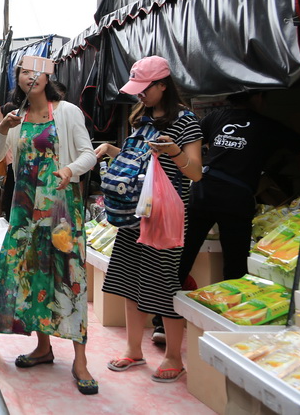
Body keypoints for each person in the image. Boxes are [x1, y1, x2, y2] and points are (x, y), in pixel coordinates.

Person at [0, 63, 99, 395]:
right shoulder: (15, 117)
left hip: (61, 207)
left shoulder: (67, 111)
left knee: (69, 278)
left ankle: (80, 360)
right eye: (22, 72)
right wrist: (2, 130)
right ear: (17, 80)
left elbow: (89, 155)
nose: (29, 76)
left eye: (36, 71)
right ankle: (43, 347)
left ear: (47, 77)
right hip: (25, 206)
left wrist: (69, 169)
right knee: (33, 275)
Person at [94, 56, 203, 384]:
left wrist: (173, 152)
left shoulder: (187, 122)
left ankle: (173, 357)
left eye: (145, 89)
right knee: (129, 281)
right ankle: (133, 349)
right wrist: (112, 149)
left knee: (163, 283)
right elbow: (138, 160)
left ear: (162, 85)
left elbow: (195, 172)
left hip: (164, 216)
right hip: (133, 214)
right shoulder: (141, 118)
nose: (139, 95)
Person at [179, 91, 300, 283]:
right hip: (235, 198)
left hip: (203, 191)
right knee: (235, 261)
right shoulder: (269, 125)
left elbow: (188, 142)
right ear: (257, 97)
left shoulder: (215, 117)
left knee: (186, 252)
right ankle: (231, 306)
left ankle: (162, 308)